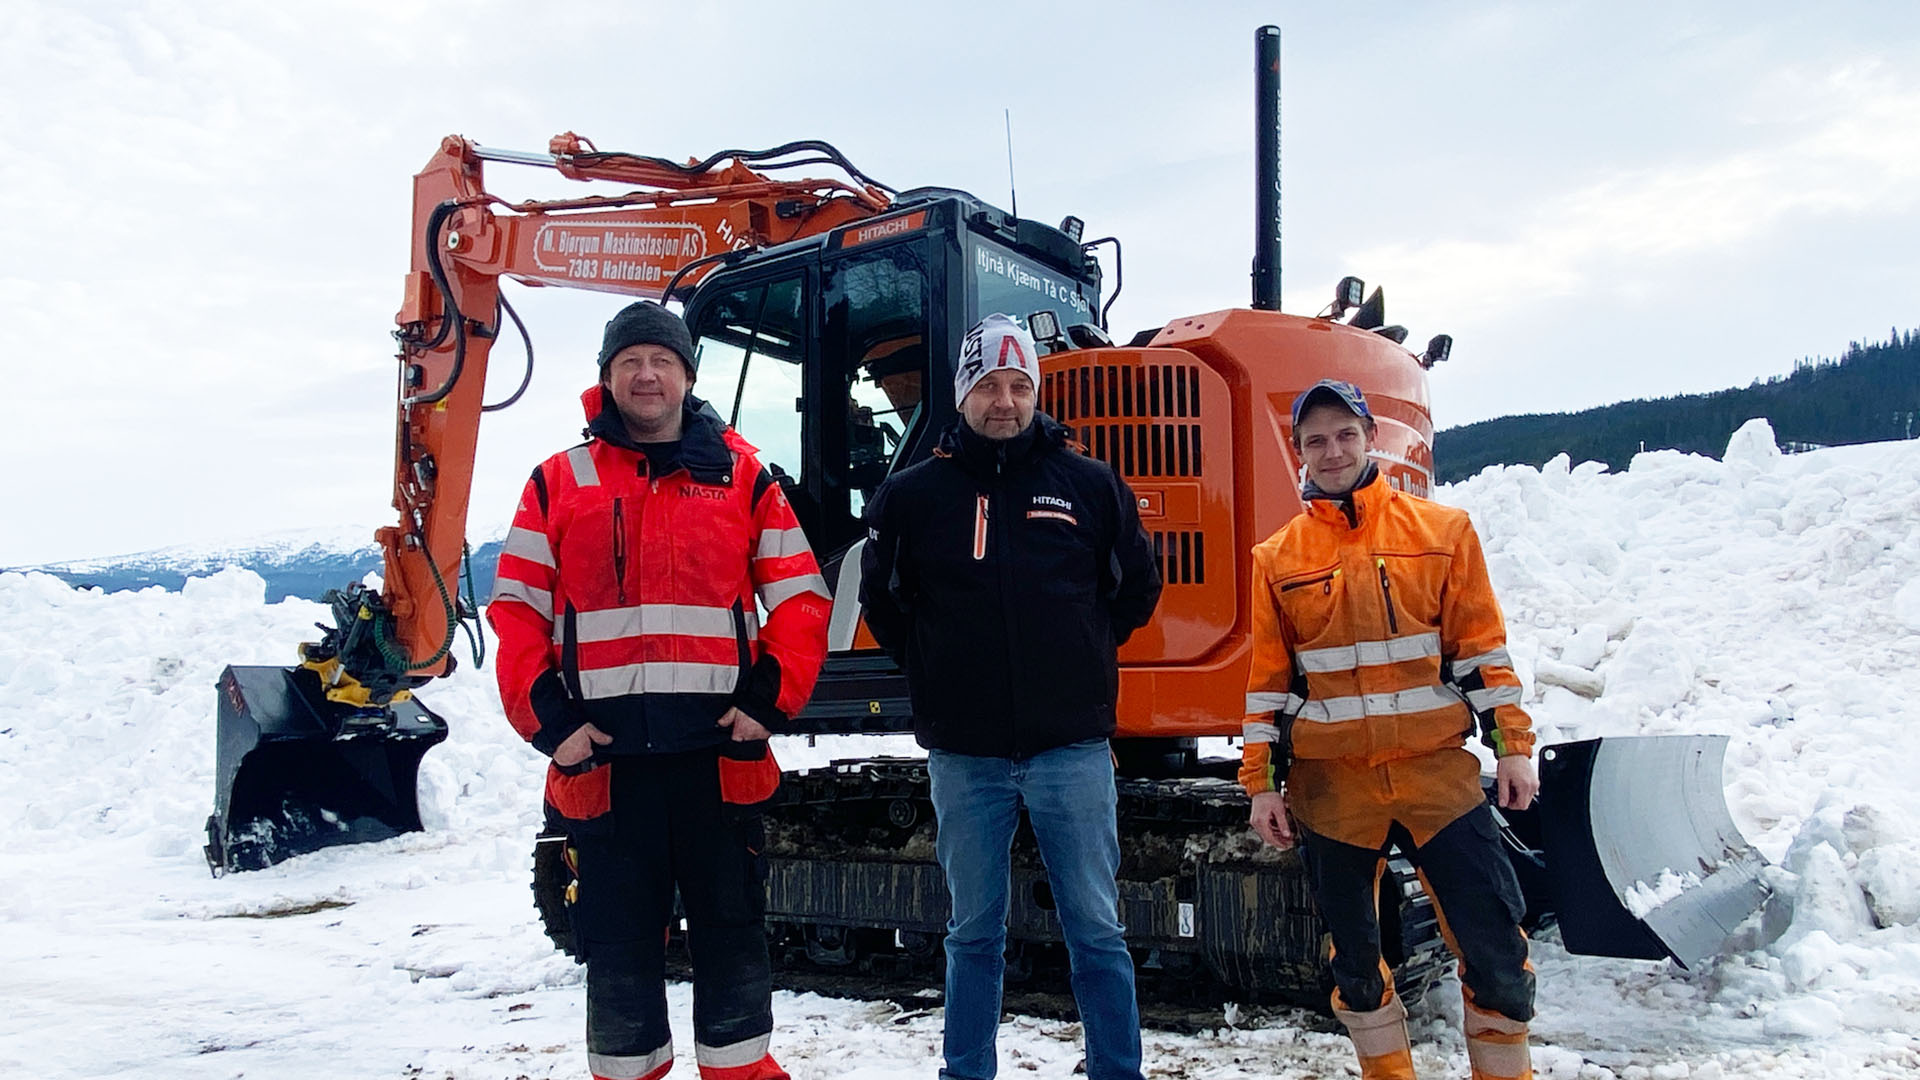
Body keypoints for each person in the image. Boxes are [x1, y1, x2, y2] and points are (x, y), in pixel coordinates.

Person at [488, 300, 831, 1080]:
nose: (647, 375)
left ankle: (741, 1070)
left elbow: (803, 597)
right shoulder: (556, 482)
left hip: (717, 760)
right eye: (630, 362)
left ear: (687, 374)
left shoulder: (743, 477)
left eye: (662, 361)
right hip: (606, 767)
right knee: (617, 948)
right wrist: (552, 724)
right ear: (607, 379)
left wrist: (769, 700)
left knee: (733, 934)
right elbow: (515, 610)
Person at [860, 313, 1162, 1080]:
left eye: (1019, 384)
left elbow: (1134, 591)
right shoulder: (912, 497)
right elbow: (887, 606)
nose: (1005, 400)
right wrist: (935, 671)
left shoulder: (1089, 485)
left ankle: (1117, 1071)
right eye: (988, 385)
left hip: (1071, 748)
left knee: (1096, 928)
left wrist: (1078, 658)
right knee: (972, 934)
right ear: (963, 393)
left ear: (1036, 391)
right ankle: (967, 1071)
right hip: (967, 755)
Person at [1241, 379, 1540, 1080]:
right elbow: (1268, 685)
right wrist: (1261, 784)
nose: (1333, 450)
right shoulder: (1276, 560)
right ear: (1299, 455)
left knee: (1495, 952)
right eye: (1316, 440)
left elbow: (1482, 654)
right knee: (1357, 969)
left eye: (1345, 434)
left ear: (1370, 437)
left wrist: (1513, 749)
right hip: (1335, 794)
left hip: (1439, 784)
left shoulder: (1443, 534)